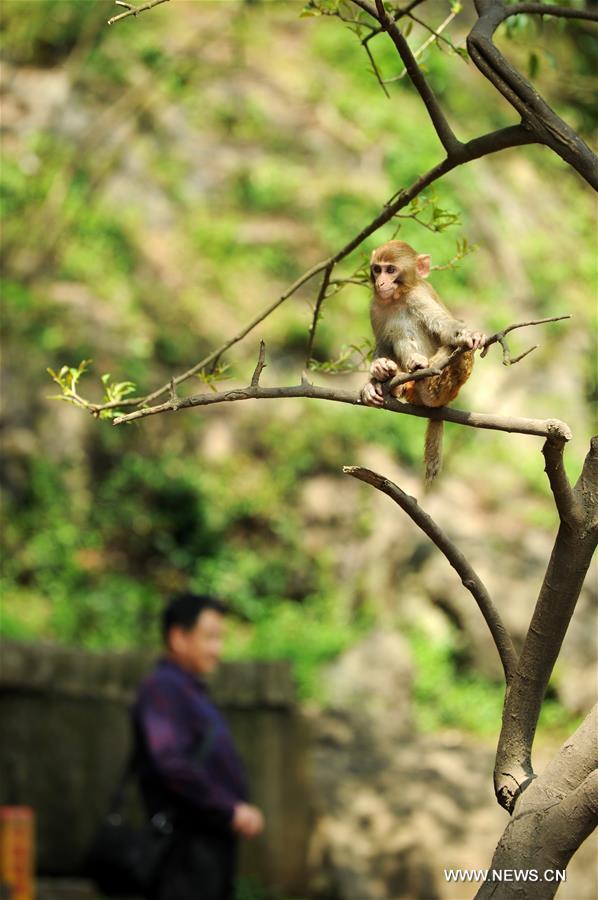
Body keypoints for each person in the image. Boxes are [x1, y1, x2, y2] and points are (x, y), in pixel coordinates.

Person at [133, 592, 265, 900]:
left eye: (221, 638)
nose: (218, 649)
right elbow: (171, 763)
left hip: (207, 846)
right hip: (185, 849)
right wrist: (229, 808)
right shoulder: (163, 689)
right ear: (178, 637)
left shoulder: (188, 690)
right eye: (210, 637)